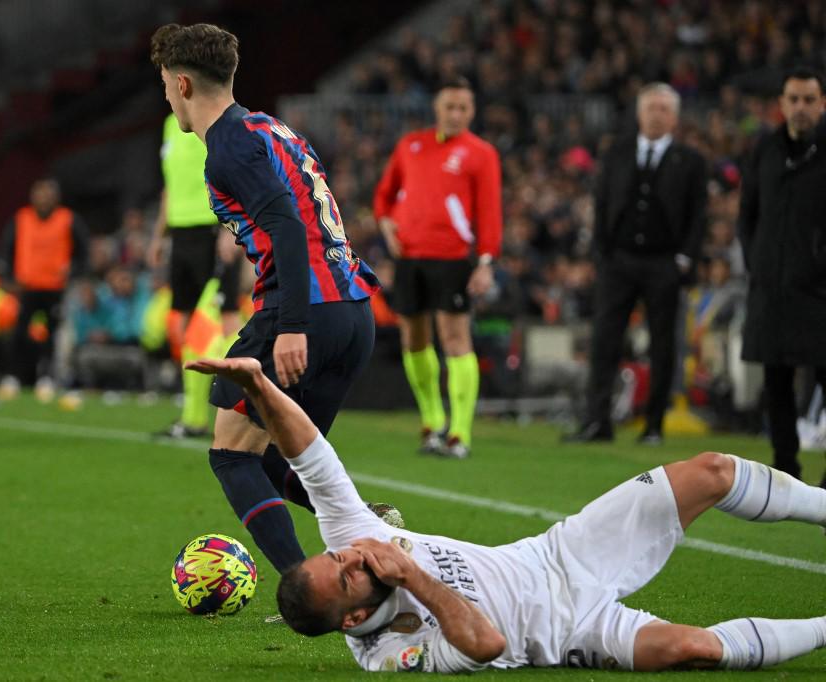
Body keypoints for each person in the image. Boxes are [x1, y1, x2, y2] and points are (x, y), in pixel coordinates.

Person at [189, 355, 826, 673]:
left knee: (711, 471)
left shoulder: (353, 539)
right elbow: (487, 643)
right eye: (347, 575)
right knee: (695, 648)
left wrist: (258, 386)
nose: (352, 557)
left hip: (560, 554)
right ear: (352, 618)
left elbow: (312, 459)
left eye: (336, 556)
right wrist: (412, 577)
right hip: (571, 632)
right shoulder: (387, 653)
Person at [151, 23, 385, 575]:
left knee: (232, 455)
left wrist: (292, 326)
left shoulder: (228, 146)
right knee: (286, 462)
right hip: (352, 313)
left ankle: (305, 589)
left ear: (182, 84)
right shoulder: (270, 128)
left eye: (164, 85)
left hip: (304, 312)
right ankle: (381, 542)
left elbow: (285, 225)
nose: (166, 98)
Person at [566, 83, 707, 445]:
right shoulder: (617, 153)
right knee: (605, 340)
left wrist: (683, 260)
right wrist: (601, 253)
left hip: (664, 263)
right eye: (651, 108)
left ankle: (654, 425)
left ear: (674, 118)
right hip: (619, 261)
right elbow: (601, 203)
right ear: (639, 113)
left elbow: (698, 215)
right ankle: (597, 421)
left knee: (663, 345)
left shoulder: (690, 160)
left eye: (664, 109)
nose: (656, 115)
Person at [373, 76, 502, 459]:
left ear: (472, 111)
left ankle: (460, 433)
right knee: (414, 338)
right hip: (410, 257)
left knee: (455, 338)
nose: (456, 114)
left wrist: (486, 261)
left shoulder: (481, 153)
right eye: (450, 107)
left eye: (463, 108)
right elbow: (384, 196)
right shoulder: (411, 145)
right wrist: (386, 224)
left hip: (453, 258)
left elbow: (489, 211)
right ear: (437, 108)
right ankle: (432, 422)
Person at [738, 67, 826, 485]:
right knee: (776, 379)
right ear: (782, 104)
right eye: (794, 99)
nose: (800, 107)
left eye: (809, 99)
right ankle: (785, 469)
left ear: (822, 103)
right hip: (772, 285)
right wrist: (756, 262)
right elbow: (747, 215)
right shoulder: (766, 149)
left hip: (820, 289)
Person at [148, 112, 243, 439]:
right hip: (181, 234)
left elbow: (234, 173)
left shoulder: (214, 118)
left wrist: (230, 227)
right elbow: (170, 186)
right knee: (185, 325)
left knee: (224, 320)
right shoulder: (170, 125)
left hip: (212, 230)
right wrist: (159, 235)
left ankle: (255, 403)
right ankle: (194, 418)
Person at [0, 178, 89, 403]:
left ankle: (47, 378)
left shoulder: (68, 219)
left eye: (48, 195)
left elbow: (84, 252)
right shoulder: (21, 218)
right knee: (19, 333)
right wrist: (7, 278)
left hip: (55, 288)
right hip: (26, 287)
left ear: (57, 198)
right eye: (40, 194)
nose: (44, 199)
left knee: (52, 335)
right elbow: (6, 249)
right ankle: (14, 377)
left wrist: (73, 272)